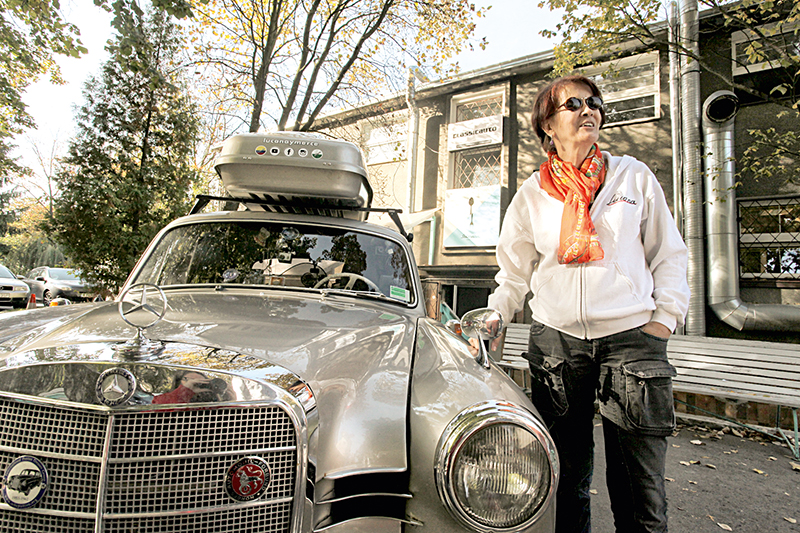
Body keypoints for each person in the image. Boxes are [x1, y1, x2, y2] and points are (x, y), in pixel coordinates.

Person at [473, 75, 690, 533]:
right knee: (563, 480)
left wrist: (664, 320)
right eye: (572, 104)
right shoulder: (531, 195)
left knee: (639, 489)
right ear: (548, 125)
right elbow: (513, 273)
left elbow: (668, 253)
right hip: (557, 344)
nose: (588, 109)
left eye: (594, 102)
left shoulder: (633, 176)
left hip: (632, 343)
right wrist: (496, 314)